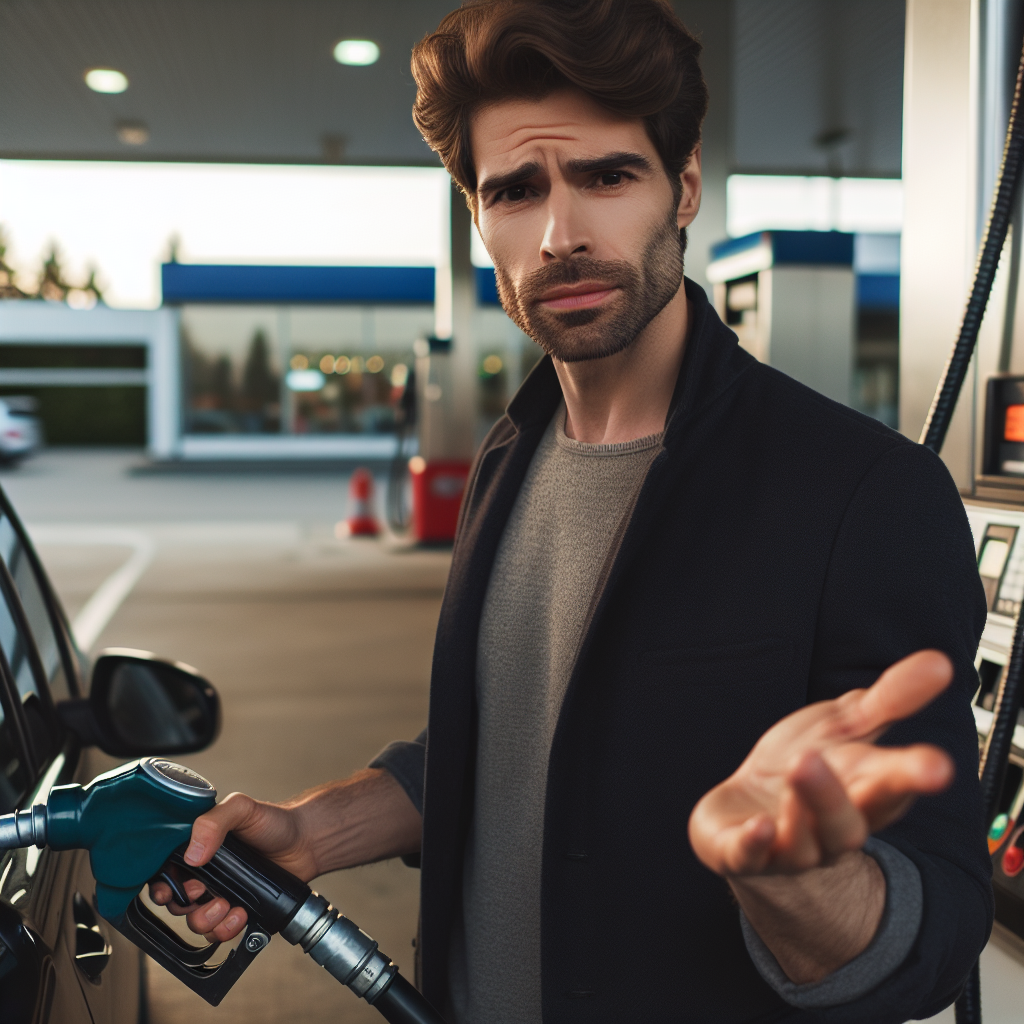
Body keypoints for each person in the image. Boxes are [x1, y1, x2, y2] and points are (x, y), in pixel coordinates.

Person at [152, 2, 992, 1021]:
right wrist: (315, 829)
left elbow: (941, 931)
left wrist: (790, 878)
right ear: (479, 219)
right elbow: (511, 735)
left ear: (681, 187)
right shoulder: (513, 453)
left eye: (605, 175)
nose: (560, 234)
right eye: (515, 190)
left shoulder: (862, 494)